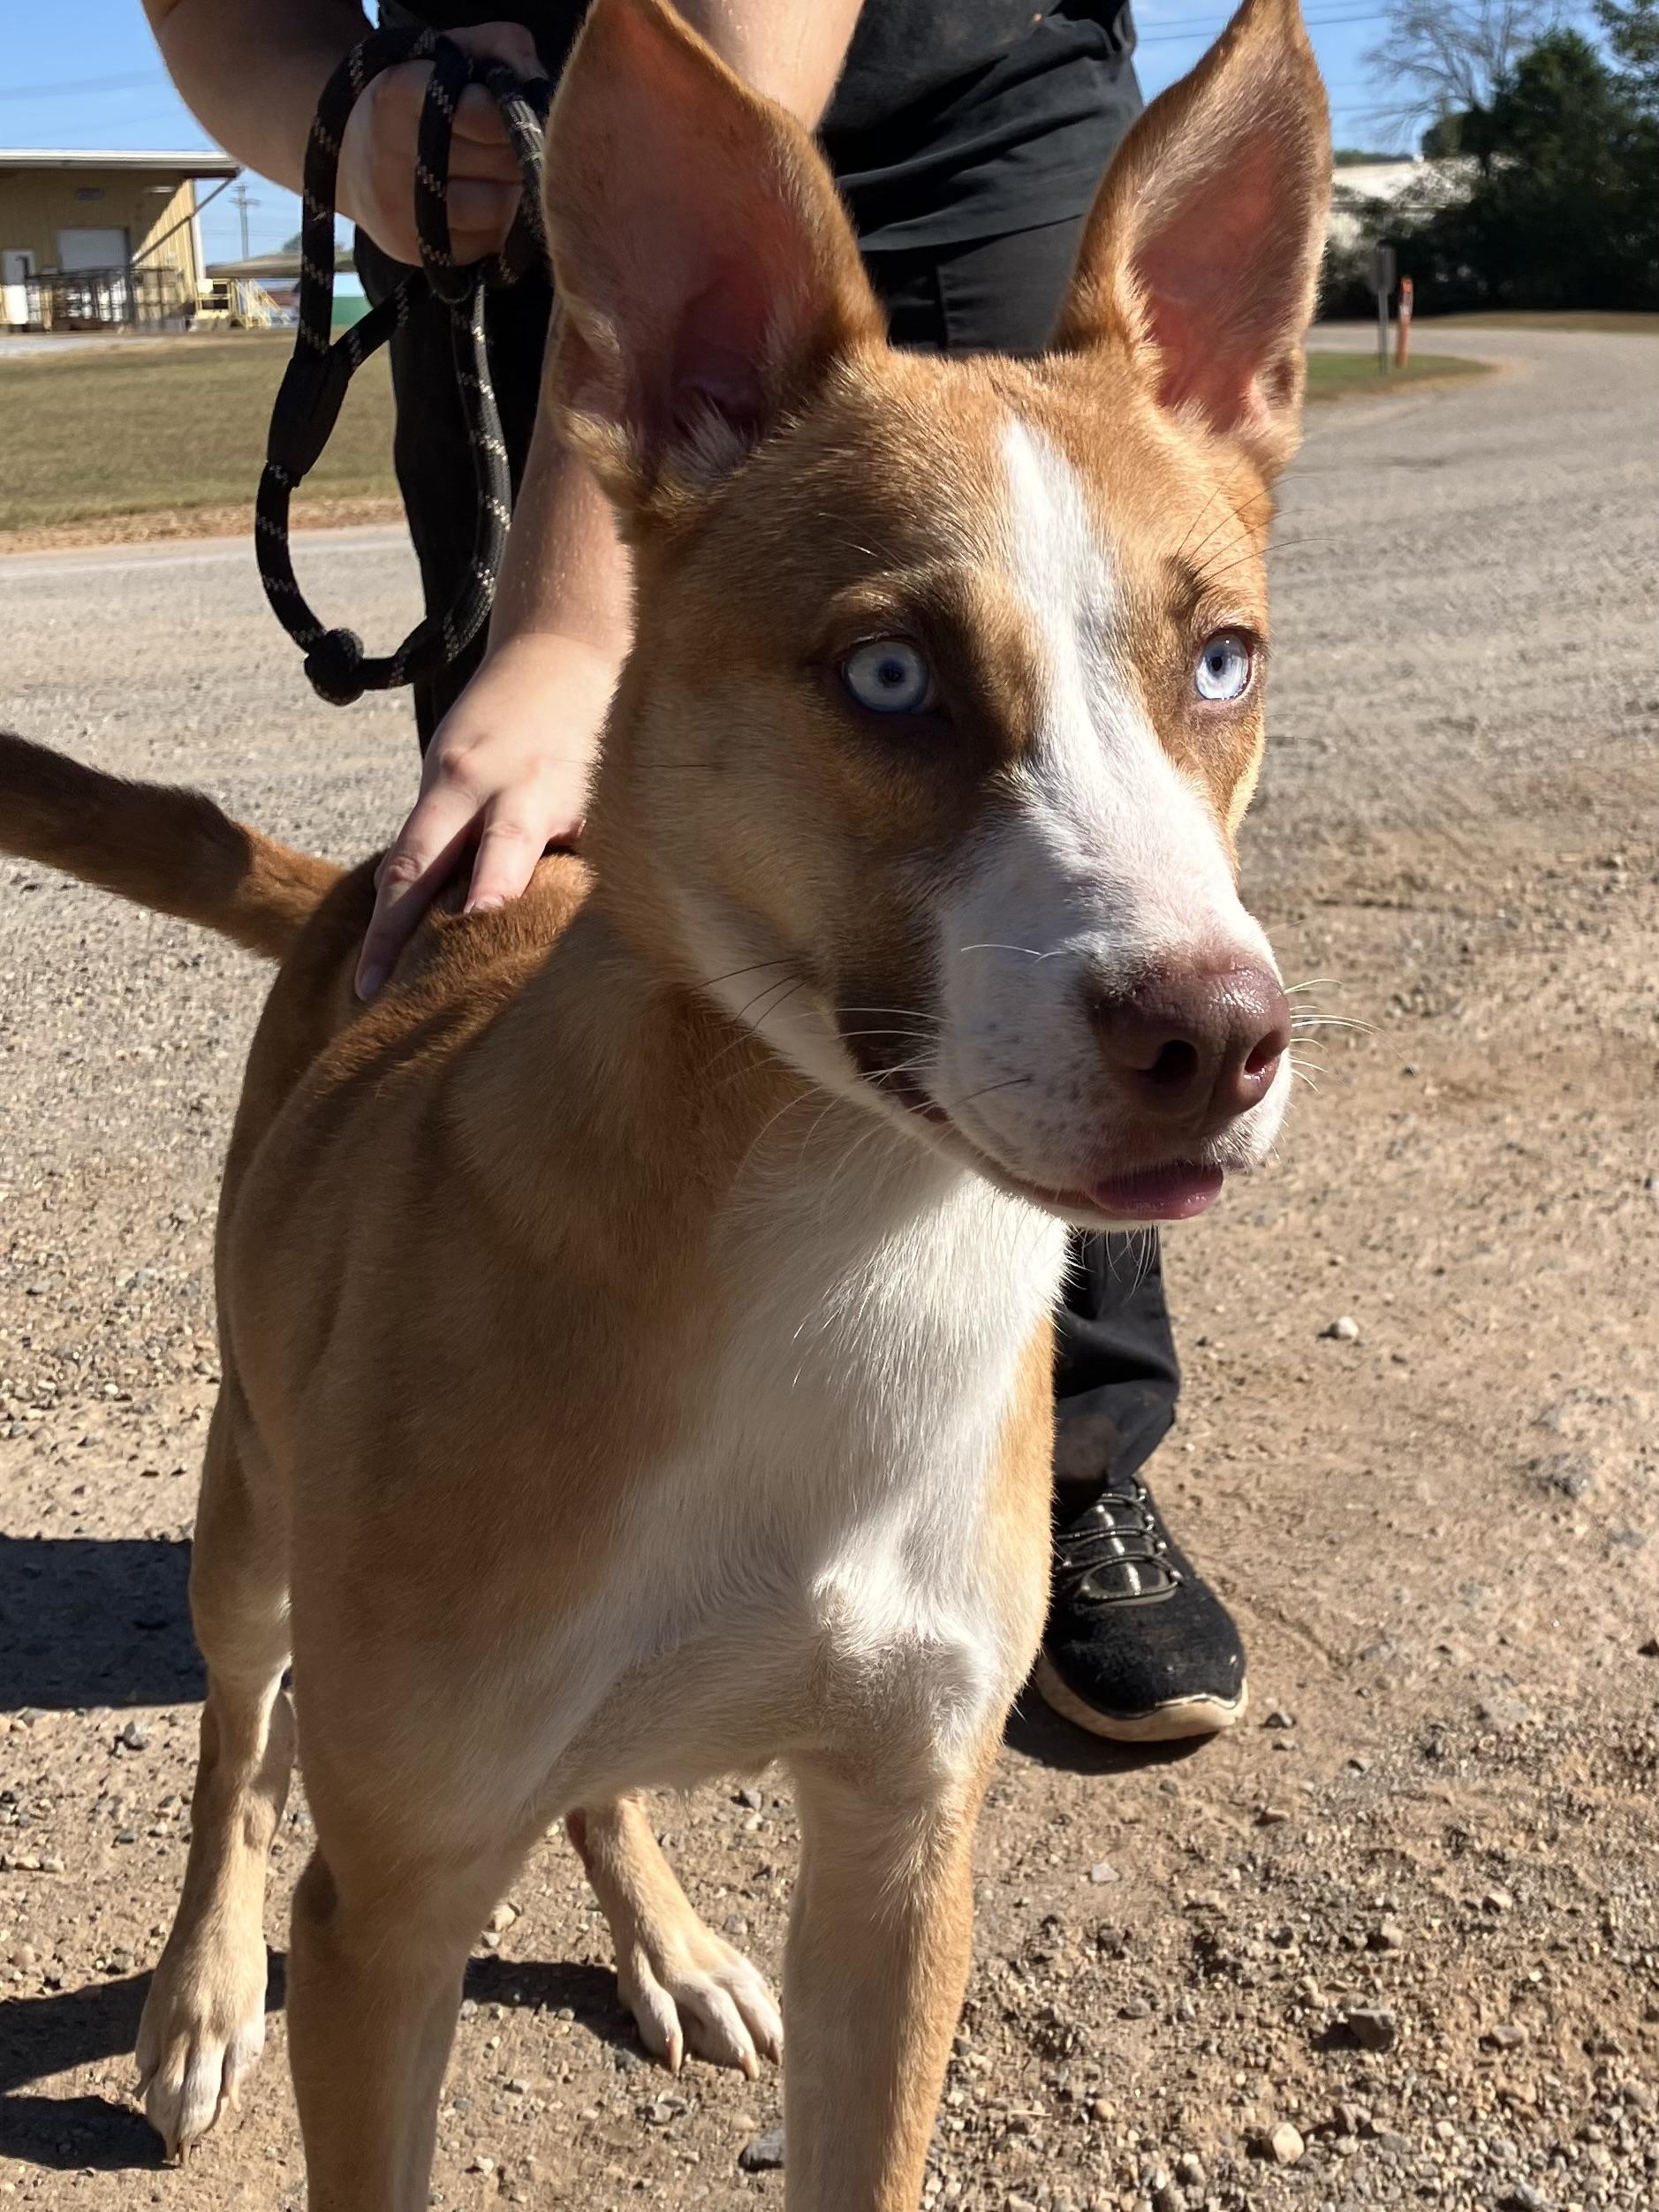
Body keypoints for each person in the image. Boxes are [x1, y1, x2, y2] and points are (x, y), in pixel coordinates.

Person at [146, 0, 1248, 1743]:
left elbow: (722, 45)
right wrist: (332, 121)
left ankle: (1068, 1465)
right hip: (555, 202)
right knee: (584, 933)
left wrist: (585, 619)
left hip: (937, 109)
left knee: (1048, 911)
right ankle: (582, 1512)